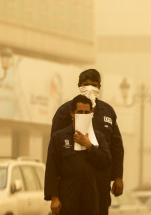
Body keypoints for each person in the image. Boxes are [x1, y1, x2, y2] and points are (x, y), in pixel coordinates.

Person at [51, 69, 124, 215]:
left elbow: (116, 147)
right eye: (86, 84)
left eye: (94, 85)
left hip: (101, 178)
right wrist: (54, 192)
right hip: (72, 180)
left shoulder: (107, 111)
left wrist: (118, 177)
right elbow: (54, 151)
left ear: (99, 87)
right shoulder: (65, 111)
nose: (90, 88)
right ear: (79, 85)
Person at [44, 95, 111, 215]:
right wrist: (54, 198)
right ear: (72, 113)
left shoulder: (98, 137)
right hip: (68, 195)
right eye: (80, 112)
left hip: (91, 196)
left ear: (91, 114)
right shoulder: (59, 138)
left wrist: (89, 146)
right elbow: (51, 169)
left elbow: (106, 163)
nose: (83, 115)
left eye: (86, 112)